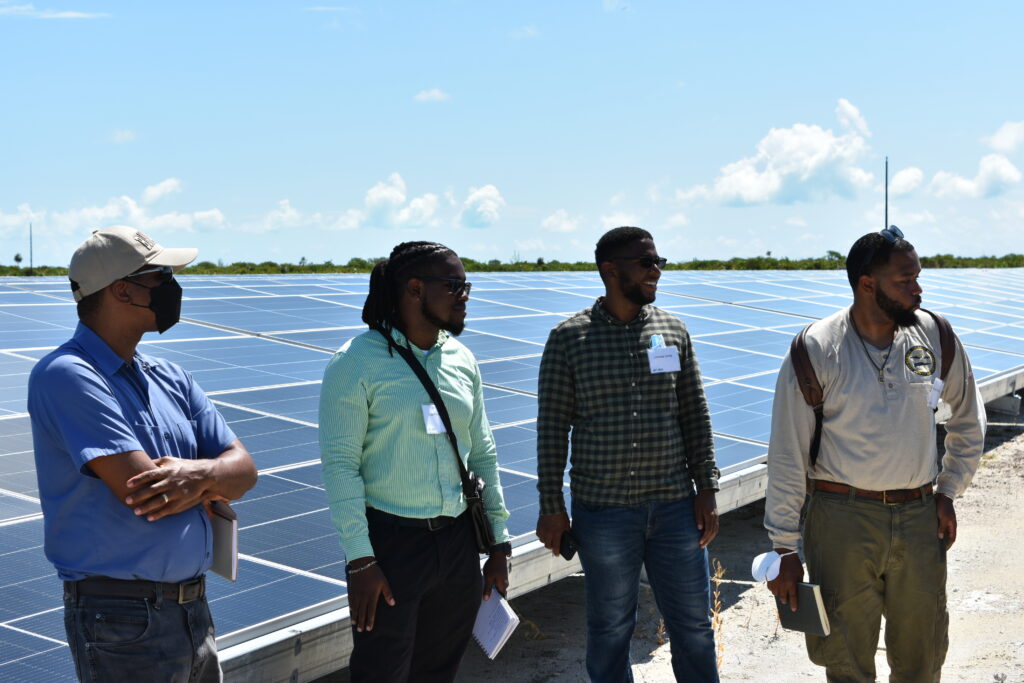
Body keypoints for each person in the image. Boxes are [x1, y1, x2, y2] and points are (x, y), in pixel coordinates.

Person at [27, 225, 258, 682]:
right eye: (161, 276)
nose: (173, 286)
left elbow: (246, 470)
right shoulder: (67, 376)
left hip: (192, 608)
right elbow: (147, 494)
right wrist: (213, 478)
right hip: (123, 619)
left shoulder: (170, 376)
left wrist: (194, 475)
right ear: (123, 291)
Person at [764, 226, 987, 682]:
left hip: (920, 516)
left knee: (922, 655)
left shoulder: (934, 335)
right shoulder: (817, 348)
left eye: (917, 277)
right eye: (905, 280)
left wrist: (947, 491)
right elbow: (787, 453)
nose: (917, 289)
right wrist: (784, 546)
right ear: (868, 284)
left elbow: (969, 419)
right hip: (841, 520)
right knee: (845, 657)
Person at [319, 241, 512, 682]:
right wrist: (360, 560)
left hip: (459, 544)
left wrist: (499, 544)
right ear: (414, 289)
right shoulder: (355, 363)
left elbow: (482, 452)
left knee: (438, 671)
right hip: (391, 548)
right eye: (454, 285)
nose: (465, 295)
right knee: (381, 672)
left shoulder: (462, 360)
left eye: (467, 285)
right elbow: (340, 466)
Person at [535, 226, 721, 683]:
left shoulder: (673, 331)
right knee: (611, 629)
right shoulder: (569, 339)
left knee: (694, 628)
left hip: (676, 507)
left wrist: (707, 488)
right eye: (646, 262)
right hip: (604, 514)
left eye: (658, 261)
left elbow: (694, 413)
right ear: (610, 269)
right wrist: (552, 508)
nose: (656, 270)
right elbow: (552, 429)